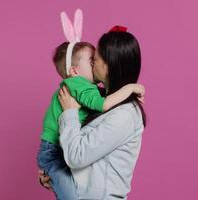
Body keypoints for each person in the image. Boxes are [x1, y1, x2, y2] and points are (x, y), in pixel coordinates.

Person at [39, 25, 146, 199]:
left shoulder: (124, 114)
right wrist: (54, 174)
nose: (93, 62)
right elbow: (79, 155)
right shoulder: (97, 100)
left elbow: (77, 156)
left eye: (95, 59)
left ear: (109, 66)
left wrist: (69, 113)